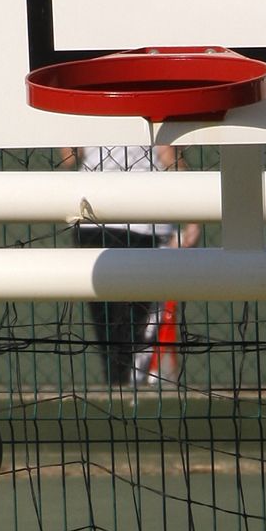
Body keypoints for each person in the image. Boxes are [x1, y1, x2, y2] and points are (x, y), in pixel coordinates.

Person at [63, 137, 201, 389]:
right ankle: (131, 394)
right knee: (138, 328)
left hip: (93, 221)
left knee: (110, 330)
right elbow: (167, 154)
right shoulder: (153, 99)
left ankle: (119, 391)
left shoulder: (85, 104)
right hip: (144, 221)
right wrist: (194, 216)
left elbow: (68, 157)